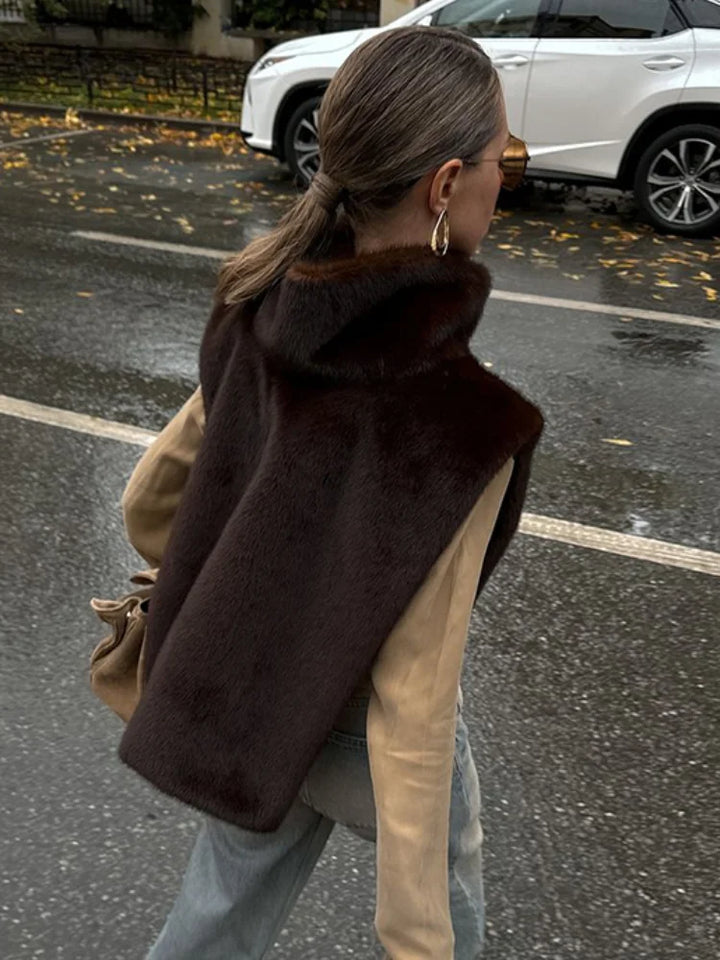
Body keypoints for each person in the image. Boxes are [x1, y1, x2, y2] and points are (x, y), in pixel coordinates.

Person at [118, 26, 543, 960]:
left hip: (247, 691)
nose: (506, 180)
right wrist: (418, 937)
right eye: (504, 160)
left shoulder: (255, 304)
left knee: (217, 912)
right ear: (445, 186)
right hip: (356, 731)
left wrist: (236, 584)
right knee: (453, 883)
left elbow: (151, 502)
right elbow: (414, 701)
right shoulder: (466, 424)